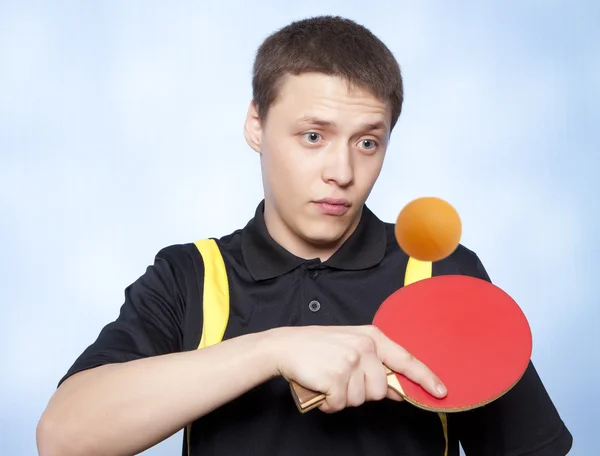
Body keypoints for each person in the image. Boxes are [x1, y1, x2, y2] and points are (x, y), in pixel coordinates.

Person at [36, 15, 573, 456]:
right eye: (313, 136)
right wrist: (273, 350)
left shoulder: (440, 272)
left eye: (367, 142)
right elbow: (63, 439)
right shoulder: (190, 275)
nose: (341, 171)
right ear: (256, 125)